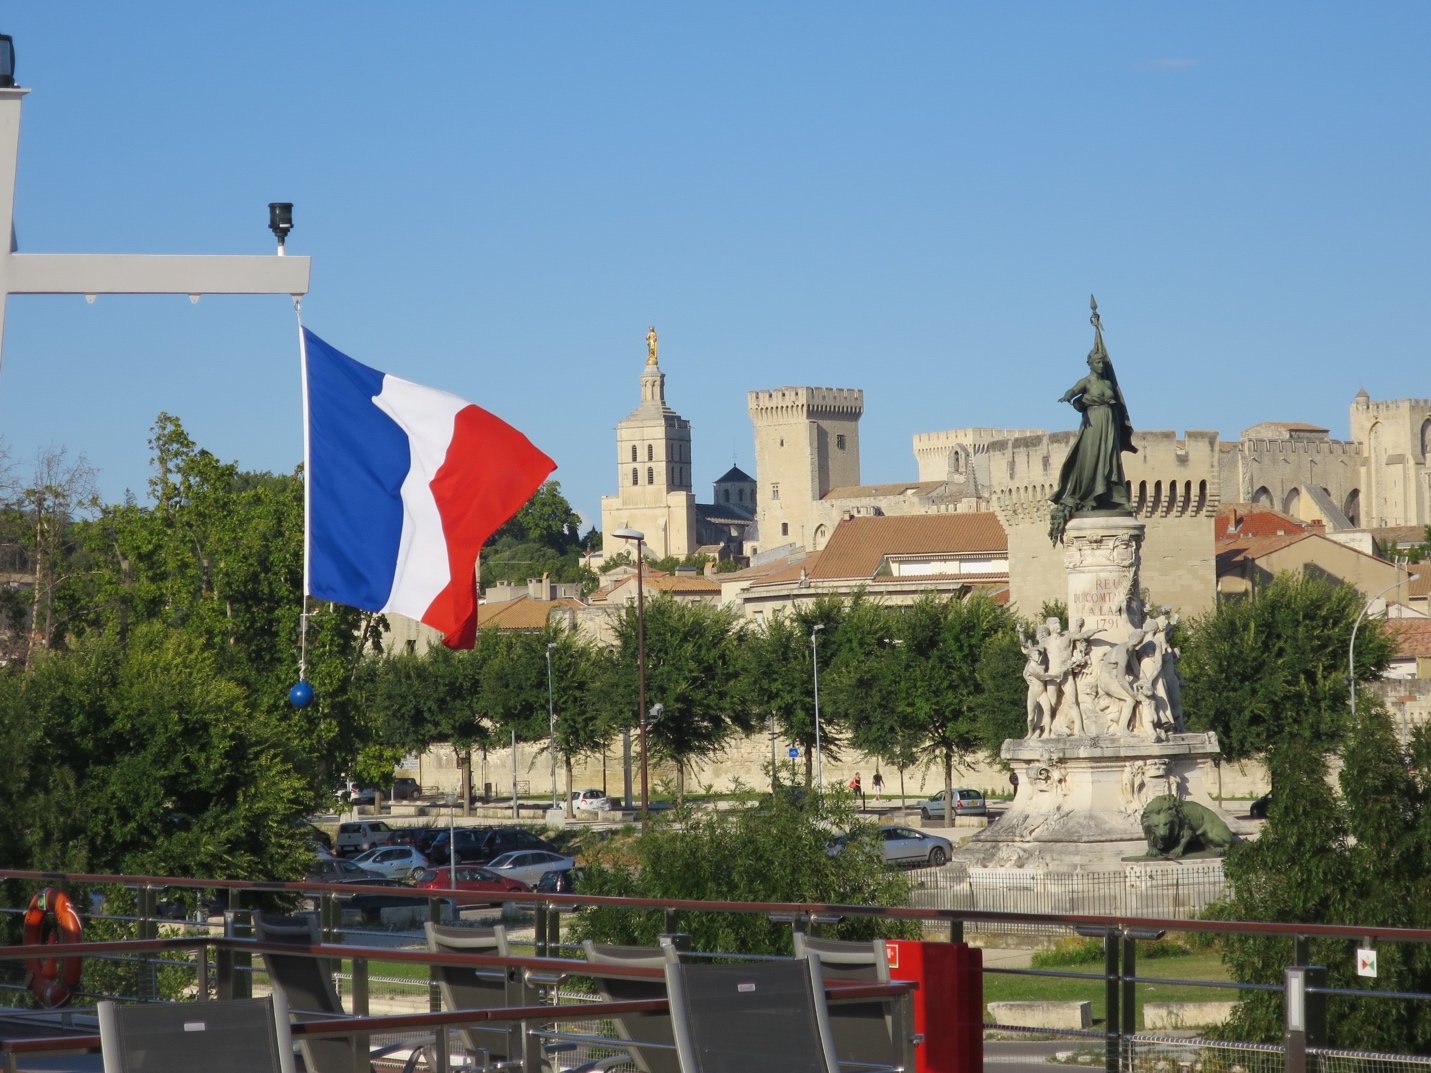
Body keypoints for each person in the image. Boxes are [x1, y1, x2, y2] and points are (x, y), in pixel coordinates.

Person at [1048, 299, 1136, 543]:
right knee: (1092, 459)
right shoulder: (1087, 381)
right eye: (1097, 361)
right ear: (1089, 363)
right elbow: (1073, 390)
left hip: (1107, 425)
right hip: (1094, 425)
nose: (1101, 364)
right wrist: (1067, 397)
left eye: (1102, 361)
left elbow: (1117, 402)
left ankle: (1110, 494)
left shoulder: (1108, 384)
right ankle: (1091, 493)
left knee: (1109, 460)